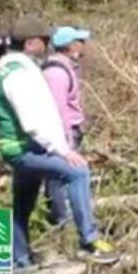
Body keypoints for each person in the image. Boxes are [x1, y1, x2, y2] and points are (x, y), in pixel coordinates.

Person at [0, 15, 118, 267]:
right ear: (30, 43)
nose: (48, 45)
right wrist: (61, 150)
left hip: (22, 146)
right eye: (44, 41)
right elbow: (32, 120)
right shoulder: (18, 75)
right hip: (24, 148)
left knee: (22, 205)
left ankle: (20, 260)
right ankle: (89, 241)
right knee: (78, 171)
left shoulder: (15, 68)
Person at [41, 26, 91, 227]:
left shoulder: (65, 67)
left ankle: (63, 214)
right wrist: (66, 141)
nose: (83, 45)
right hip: (63, 133)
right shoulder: (56, 73)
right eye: (79, 41)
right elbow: (58, 110)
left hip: (71, 130)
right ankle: (62, 218)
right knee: (60, 176)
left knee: (63, 175)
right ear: (70, 46)